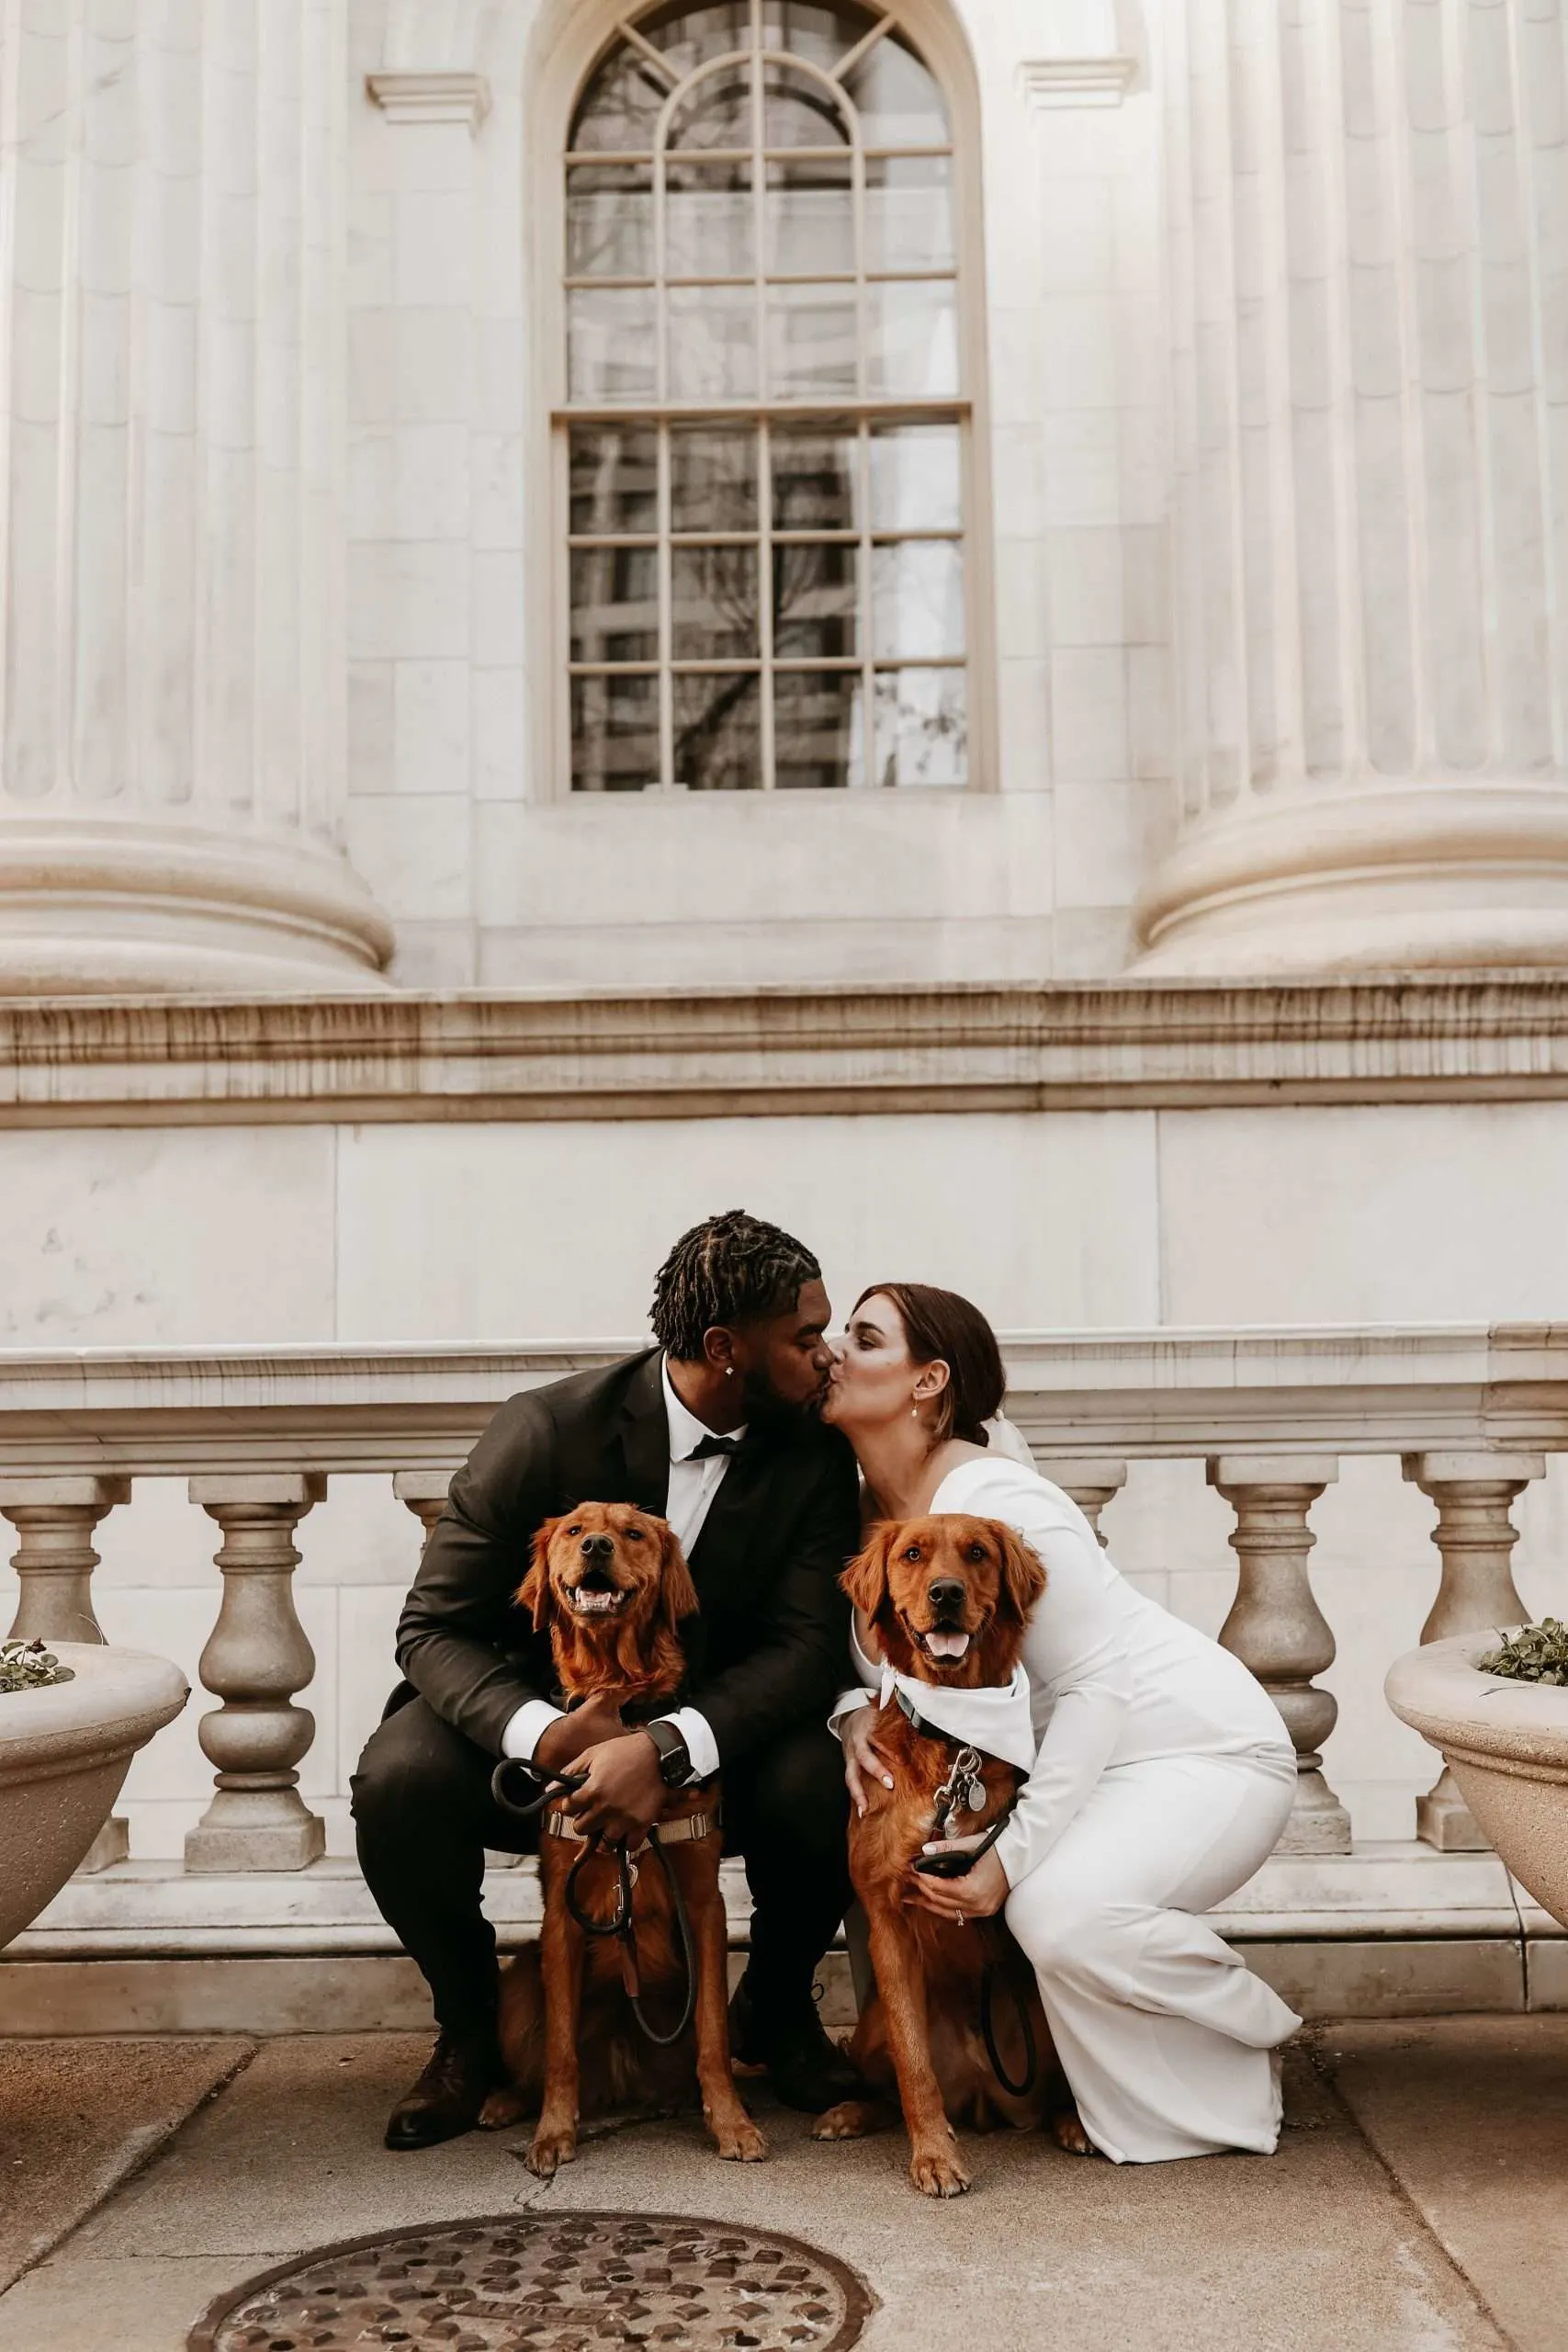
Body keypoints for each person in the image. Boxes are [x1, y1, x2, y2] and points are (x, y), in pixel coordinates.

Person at [352, 1210, 864, 2150]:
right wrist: (546, 1732)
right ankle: (469, 2032)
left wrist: (665, 1751)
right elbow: (431, 1628)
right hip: (542, 1742)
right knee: (398, 1778)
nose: (825, 1354)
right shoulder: (545, 1429)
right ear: (725, 1348)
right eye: (803, 1335)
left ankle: (777, 2011)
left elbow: (804, 1648)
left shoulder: (815, 1455)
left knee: (827, 1776)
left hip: (722, 1746)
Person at [825, 1282, 1301, 2165]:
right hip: (1088, 1768)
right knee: (1046, 1914)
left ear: (928, 1380)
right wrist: (852, 1709)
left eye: (862, 1338)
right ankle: (1167, 2088)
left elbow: (1093, 1686)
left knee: (1052, 1912)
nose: (832, 1352)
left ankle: (1244, 2034)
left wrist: (1007, 1860)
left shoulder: (1001, 1499)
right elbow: (880, 1665)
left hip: (1191, 1751)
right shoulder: (872, 1520)